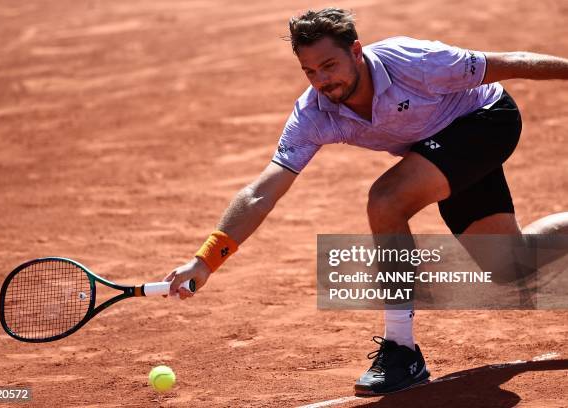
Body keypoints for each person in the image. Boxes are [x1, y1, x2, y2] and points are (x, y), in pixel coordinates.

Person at [163, 7, 568, 396]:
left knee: (386, 200)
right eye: (309, 71)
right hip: (438, 148)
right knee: (509, 264)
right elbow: (260, 192)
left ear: (356, 51)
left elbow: (512, 62)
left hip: (486, 120)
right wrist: (207, 259)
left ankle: (402, 351)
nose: (321, 80)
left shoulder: (416, 60)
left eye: (329, 65)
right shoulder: (314, 114)